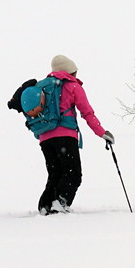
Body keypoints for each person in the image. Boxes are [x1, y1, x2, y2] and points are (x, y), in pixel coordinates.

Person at [30, 55, 113, 215]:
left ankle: (45, 206)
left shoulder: (42, 87)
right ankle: (60, 204)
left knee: (55, 174)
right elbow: (87, 113)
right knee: (73, 173)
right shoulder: (72, 86)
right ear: (70, 72)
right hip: (66, 137)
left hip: (45, 138)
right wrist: (102, 133)